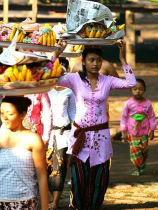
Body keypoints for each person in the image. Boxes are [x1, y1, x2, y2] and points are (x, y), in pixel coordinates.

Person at [53, 40, 136, 210]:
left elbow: (131, 83)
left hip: (101, 138)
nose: (95, 64)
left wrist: (122, 59)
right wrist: (56, 54)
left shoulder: (107, 81)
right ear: (83, 61)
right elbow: (52, 77)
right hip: (79, 137)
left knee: (99, 180)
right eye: (91, 60)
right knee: (78, 180)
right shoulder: (74, 79)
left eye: (99, 60)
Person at [0, 96, 49, 210]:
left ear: (22, 115)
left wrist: (45, 208)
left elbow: (42, 177)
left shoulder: (34, 140)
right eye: (2, 113)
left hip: (25, 202)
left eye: (10, 114)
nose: (5, 118)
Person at [46, 86, 76, 209]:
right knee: (47, 168)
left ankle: (55, 202)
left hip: (63, 133)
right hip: (46, 134)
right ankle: (50, 198)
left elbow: (73, 112)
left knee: (59, 167)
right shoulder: (45, 89)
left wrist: (76, 133)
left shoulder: (69, 91)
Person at [120, 78, 157, 176]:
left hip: (144, 130)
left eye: (140, 89)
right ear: (131, 90)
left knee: (144, 150)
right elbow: (123, 117)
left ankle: (142, 164)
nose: (138, 91)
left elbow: (152, 117)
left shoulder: (148, 103)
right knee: (135, 150)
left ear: (144, 90)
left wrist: (152, 130)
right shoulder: (128, 103)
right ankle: (137, 168)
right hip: (132, 130)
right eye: (135, 89)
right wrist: (124, 132)